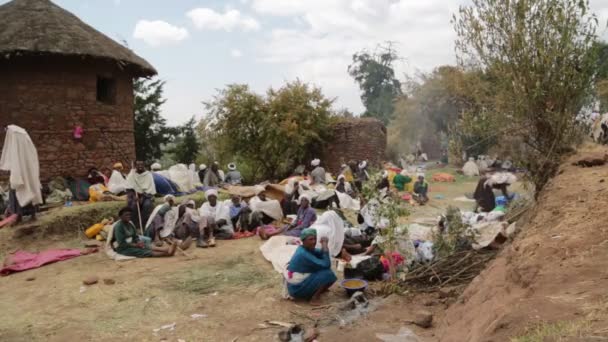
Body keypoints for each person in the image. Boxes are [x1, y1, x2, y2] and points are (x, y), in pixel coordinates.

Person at [285, 229, 337, 305]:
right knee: (328, 274)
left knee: (325, 271)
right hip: (296, 289)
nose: (314, 242)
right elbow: (326, 264)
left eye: (315, 239)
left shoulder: (305, 248)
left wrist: (323, 245)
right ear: (303, 240)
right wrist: (325, 244)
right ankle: (314, 298)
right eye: (310, 239)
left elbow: (321, 252)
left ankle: (317, 289)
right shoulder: (303, 254)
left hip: (296, 285)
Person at [113, 207, 177, 257]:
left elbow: (135, 236)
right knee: (141, 251)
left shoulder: (130, 224)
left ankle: (166, 250)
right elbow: (122, 243)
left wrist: (138, 242)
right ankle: (167, 254)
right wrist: (136, 245)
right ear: (120, 216)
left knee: (145, 245)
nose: (128, 216)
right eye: (126, 215)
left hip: (132, 244)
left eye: (129, 214)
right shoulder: (119, 227)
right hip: (124, 249)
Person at [126, 161, 157, 230]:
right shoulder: (132, 175)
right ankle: (134, 226)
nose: (140, 166)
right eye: (138, 165)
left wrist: (142, 197)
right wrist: (134, 196)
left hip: (147, 196)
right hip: (135, 195)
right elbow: (129, 188)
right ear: (135, 166)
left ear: (144, 166)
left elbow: (150, 189)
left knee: (147, 205)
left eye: (141, 165)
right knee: (134, 205)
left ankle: (144, 225)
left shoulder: (148, 175)